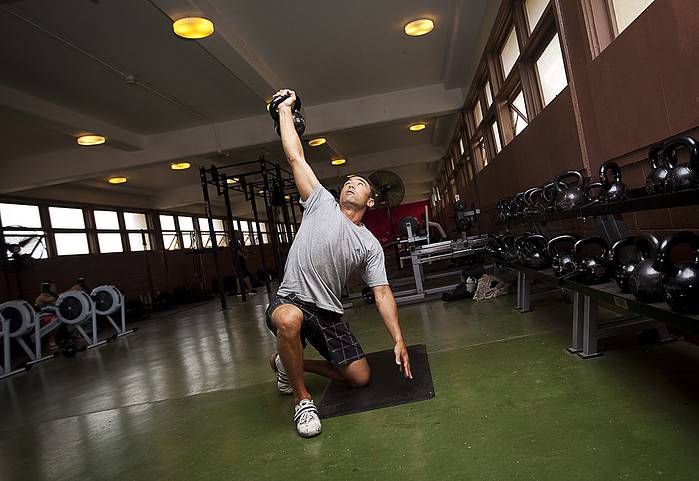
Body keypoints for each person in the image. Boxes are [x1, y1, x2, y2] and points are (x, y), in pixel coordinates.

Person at [265, 89, 412, 438]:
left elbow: (382, 292)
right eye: (347, 182)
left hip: (329, 312)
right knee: (289, 318)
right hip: (293, 299)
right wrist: (284, 110)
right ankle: (302, 401)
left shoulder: (369, 244)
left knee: (359, 378)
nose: (350, 184)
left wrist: (398, 338)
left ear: (371, 201)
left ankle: (288, 367)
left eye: (359, 184)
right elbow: (296, 157)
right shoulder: (320, 203)